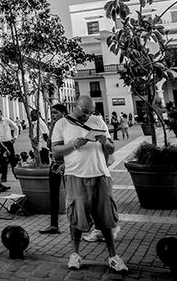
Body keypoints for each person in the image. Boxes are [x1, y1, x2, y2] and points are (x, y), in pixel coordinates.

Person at [52, 95, 127, 273]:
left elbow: (112, 148)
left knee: (106, 217)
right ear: (76, 106)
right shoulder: (61, 124)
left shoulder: (98, 121)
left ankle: (113, 256)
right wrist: (74, 145)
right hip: (75, 176)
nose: (87, 115)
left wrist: (104, 141)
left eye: (90, 112)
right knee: (76, 216)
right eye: (85, 111)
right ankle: (75, 255)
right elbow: (55, 150)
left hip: (101, 174)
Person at [38, 103, 68, 235]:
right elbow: (50, 145)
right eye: (52, 113)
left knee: (74, 194)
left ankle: (85, 223)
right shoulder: (54, 126)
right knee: (54, 195)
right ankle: (54, 225)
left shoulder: (68, 126)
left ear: (63, 113)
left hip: (68, 164)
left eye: (55, 113)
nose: (53, 115)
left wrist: (66, 162)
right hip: (55, 163)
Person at [0, 109, 18, 181]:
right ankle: (4, 177)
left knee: (12, 159)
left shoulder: (6, 121)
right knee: (2, 160)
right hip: (0, 144)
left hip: (8, 142)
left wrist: (14, 137)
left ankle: (16, 174)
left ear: (1, 114)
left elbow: (15, 127)